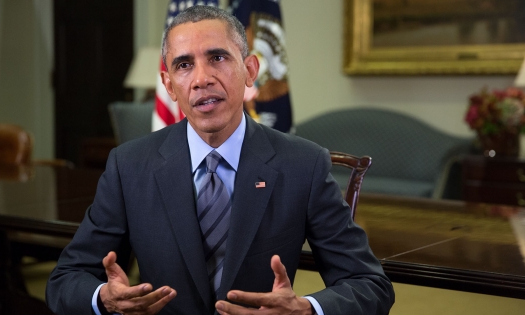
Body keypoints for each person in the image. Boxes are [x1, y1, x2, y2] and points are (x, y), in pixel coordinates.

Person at [46, 5, 394, 315]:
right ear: (168, 84)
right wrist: (105, 298)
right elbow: (66, 280)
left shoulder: (303, 164)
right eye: (184, 65)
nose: (201, 79)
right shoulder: (129, 166)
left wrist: (306, 309)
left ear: (250, 70)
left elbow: (370, 285)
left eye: (217, 58)